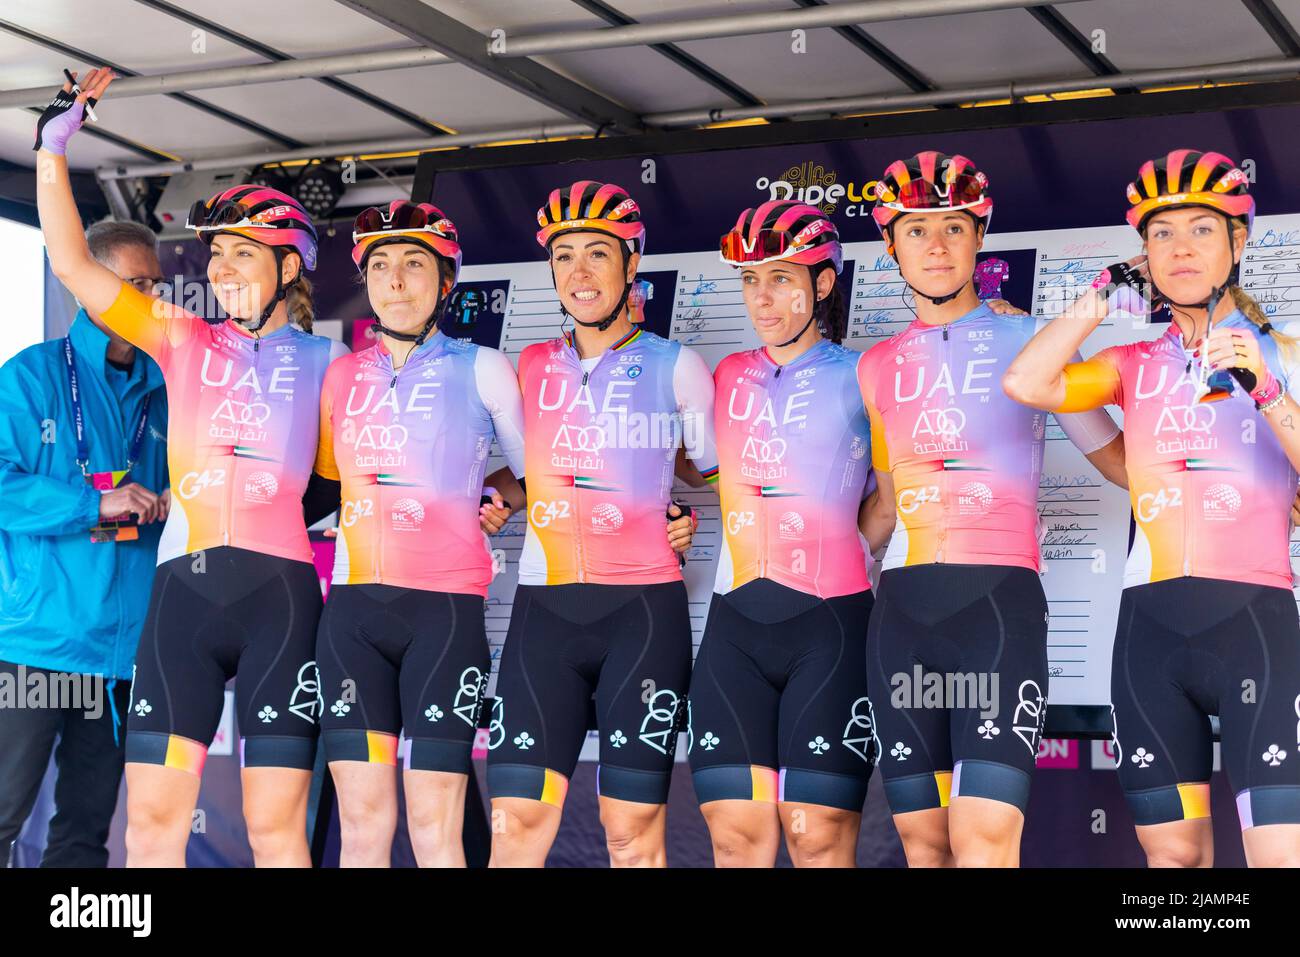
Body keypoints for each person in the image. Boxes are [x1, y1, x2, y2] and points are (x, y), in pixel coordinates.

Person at [33, 67, 345, 867]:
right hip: (182, 602)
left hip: (283, 601)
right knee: (150, 830)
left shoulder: (330, 362)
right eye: (216, 255)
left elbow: (360, 481)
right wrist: (52, 148)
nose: (223, 268)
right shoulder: (180, 335)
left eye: (245, 253)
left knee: (277, 831)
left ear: (289, 268)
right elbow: (71, 263)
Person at [1003, 149, 1300, 867]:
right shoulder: (1132, 365)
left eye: (1203, 229)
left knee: (1279, 858)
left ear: (1238, 242)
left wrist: (1265, 388)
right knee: (1172, 862)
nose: (1181, 248)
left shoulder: (1287, 353)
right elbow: (1027, 380)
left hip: (1255, 623)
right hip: (1149, 634)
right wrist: (1101, 295)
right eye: (1162, 234)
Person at [858, 151, 1126, 867]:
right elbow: (884, 505)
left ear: (981, 237)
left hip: (997, 610)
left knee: (983, 840)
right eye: (916, 230)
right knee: (922, 841)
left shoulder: (1030, 343)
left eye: (954, 225)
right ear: (891, 245)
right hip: (902, 612)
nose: (936, 245)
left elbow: (1120, 460)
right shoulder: (874, 364)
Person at [486, 180, 717, 868]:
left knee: (630, 829)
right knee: (517, 822)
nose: (579, 273)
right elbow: (530, 476)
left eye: (596, 253)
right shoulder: (530, 364)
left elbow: (720, 477)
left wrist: (683, 516)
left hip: (641, 614)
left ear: (631, 263)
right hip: (542, 611)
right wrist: (484, 500)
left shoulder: (679, 366)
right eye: (564, 256)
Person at [312, 201, 527, 866]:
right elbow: (319, 484)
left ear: (445, 281)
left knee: (437, 829)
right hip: (351, 615)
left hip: (444, 614)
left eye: (413, 264)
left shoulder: (484, 366)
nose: (395, 279)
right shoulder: (340, 374)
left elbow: (540, 477)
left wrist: (496, 498)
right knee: (363, 826)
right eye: (379, 265)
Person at [687, 200, 880, 867]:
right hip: (734, 625)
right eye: (749, 279)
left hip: (830, 623)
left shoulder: (866, 373)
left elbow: (900, 494)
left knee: (816, 837)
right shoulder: (725, 375)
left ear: (822, 283)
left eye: (779, 277)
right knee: (736, 840)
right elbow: (698, 469)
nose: (761, 296)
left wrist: (847, 537)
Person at [0, 220, 169, 867]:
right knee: (4, 810)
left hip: (121, 655)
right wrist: (93, 501)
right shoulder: (31, 377)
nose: (146, 299)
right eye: (131, 283)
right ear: (84, 285)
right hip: (35, 646)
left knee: (85, 831)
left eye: (154, 285)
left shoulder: (165, 386)